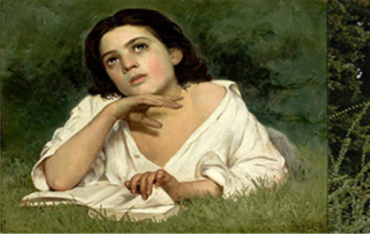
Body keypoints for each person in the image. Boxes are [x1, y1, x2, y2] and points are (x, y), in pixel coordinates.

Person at [21, 8, 286, 217]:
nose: (128, 64)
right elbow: (58, 180)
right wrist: (113, 113)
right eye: (112, 60)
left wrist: (182, 189)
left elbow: (266, 172)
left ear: (174, 54)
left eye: (139, 47)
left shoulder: (216, 101)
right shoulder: (98, 108)